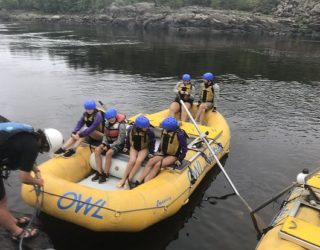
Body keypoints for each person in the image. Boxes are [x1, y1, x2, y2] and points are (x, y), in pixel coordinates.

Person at [0, 115, 63, 241]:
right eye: (44, 150)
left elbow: (20, 149)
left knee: (3, 199)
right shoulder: (32, 147)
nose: (41, 152)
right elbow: (24, 178)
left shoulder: (30, 135)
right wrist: (37, 181)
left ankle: (12, 220)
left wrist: (34, 167)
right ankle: (17, 232)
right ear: (45, 145)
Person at [136, 116, 188, 184]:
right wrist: (158, 151)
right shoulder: (164, 130)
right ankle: (139, 180)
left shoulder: (180, 134)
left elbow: (184, 148)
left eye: (165, 127)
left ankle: (146, 182)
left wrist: (180, 159)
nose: (163, 128)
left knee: (158, 165)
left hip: (173, 155)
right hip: (163, 152)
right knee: (151, 161)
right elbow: (162, 142)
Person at [118, 115, 155, 189]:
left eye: (147, 126)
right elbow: (128, 139)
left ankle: (128, 180)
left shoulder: (150, 132)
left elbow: (152, 142)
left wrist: (151, 152)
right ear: (139, 127)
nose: (147, 128)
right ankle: (123, 178)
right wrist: (126, 146)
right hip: (133, 147)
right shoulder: (131, 129)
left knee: (138, 161)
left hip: (144, 148)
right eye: (145, 127)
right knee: (132, 161)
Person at [92, 108, 126, 184]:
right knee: (97, 150)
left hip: (118, 144)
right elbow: (105, 136)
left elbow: (120, 140)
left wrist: (109, 146)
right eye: (109, 119)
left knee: (109, 153)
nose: (111, 120)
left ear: (115, 116)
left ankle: (106, 174)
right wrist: (104, 143)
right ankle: (99, 172)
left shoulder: (121, 125)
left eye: (112, 118)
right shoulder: (107, 124)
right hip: (108, 142)